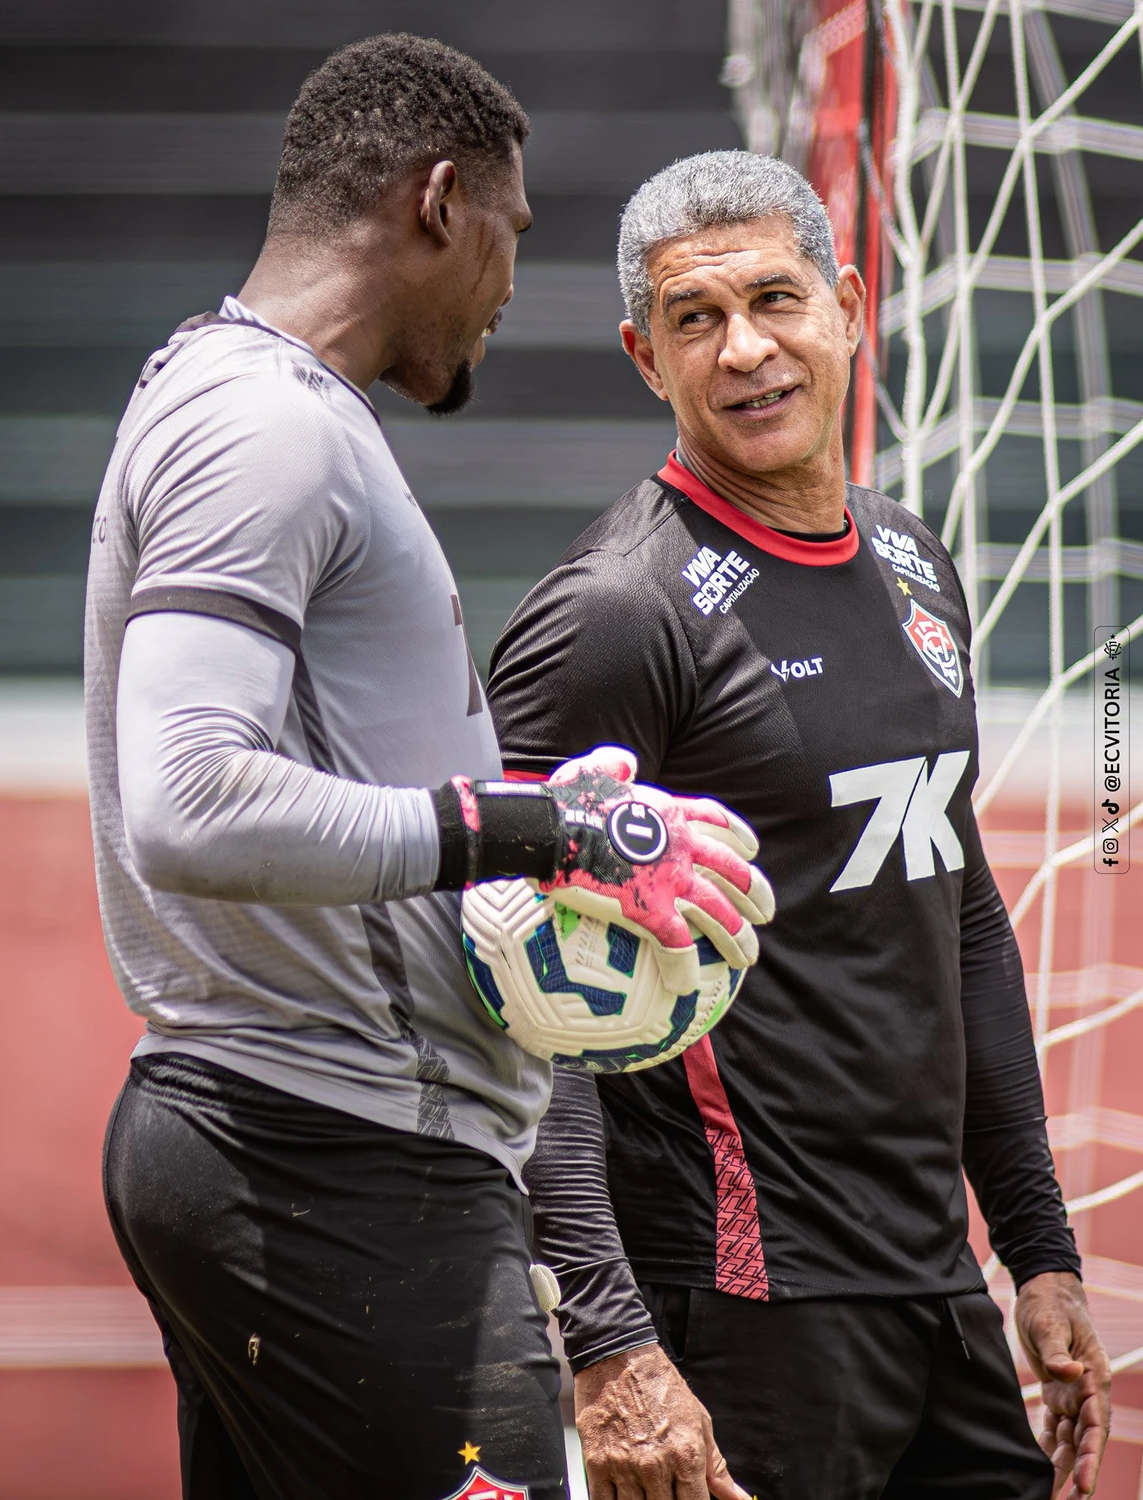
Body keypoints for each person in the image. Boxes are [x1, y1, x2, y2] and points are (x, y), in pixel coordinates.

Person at [86, 44, 766, 1500]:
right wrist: (536, 827)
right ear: (441, 202)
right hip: (333, 1157)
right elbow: (189, 802)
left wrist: (521, 823)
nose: (515, 286)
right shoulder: (261, 424)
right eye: (514, 234)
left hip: (303, 1143)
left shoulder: (262, 409)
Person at [487, 150, 1112, 1500]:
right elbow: (514, 998)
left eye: (776, 300)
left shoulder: (909, 559)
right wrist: (606, 1339)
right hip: (741, 1309)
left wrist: (1038, 1246)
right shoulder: (615, 616)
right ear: (644, 356)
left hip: (935, 1286)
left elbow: (958, 911)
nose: (746, 350)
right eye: (696, 320)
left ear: (848, 303)